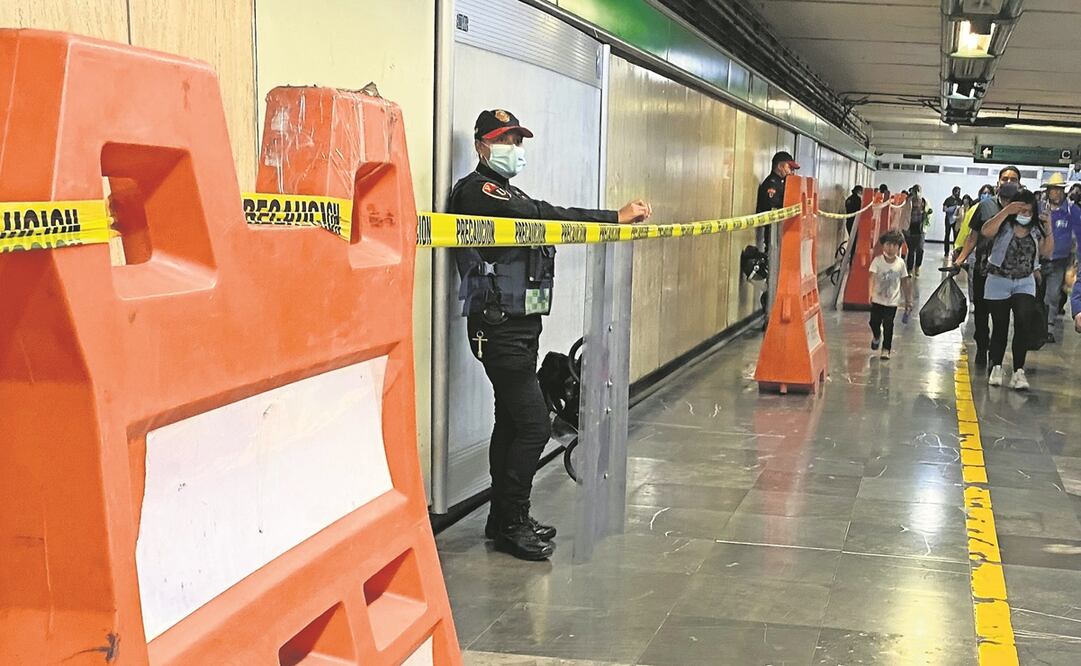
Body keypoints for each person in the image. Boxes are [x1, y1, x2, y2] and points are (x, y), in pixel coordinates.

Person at [448, 108, 651, 561]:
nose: (514, 149)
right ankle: (513, 521)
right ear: (481, 144)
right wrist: (612, 217)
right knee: (535, 423)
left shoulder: (504, 191)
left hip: (520, 326)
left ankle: (501, 518)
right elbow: (541, 214)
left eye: (519, 141)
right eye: (505, 140)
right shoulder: (477, 191)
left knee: (511, 421)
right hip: (498, 329)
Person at [978, 189, 1053, 389]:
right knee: (1000, 326)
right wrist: (1005, 212)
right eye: (1021, 210)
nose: (1025, 215)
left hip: (1025, 281)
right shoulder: (1003, 224)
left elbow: (1046, 252)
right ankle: (996, 366)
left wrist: (1049, 227)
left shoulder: (1037, 229)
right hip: (998, 280)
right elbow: (985, 231)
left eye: (1029, 211)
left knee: (1022, 322)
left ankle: (1019, 371)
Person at [954, 169, 1023, 366]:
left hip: (1010, 274)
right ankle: (982, 345)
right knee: (982, 314)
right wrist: (960, 259)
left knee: (1001, 318)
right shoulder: (984, 206)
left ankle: (996, 355)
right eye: (1005, 179)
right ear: (998, 182)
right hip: (984, 270)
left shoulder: (1024, 207)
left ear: (1019, 183)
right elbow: (973, 237)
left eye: (1013, 179)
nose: (1009, 182)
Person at [755, 150, 800, 319]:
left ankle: (772, 309)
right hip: (774, 237)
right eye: (790, 168)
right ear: (781, 166)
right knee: (774, 275)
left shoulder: (781, 183)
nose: (792, 172)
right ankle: (769, 312)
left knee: (780, 275)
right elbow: (775, 209)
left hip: (781, 236)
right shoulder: (772, 184)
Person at [1038, 173, 1081, 343]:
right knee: (1035, 296)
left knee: (1052, 295)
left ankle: (1048, 329)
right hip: (1038, 261)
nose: (1055, 193)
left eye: (1058, 189)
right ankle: (1034, 327)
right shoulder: (1040, 209)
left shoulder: (1072, 211)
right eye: (1052, 189)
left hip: (1059, 261)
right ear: (1048, 191)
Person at [868, 231, 912, 360]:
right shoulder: (877, 261)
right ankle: (876, 336)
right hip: (877, 299)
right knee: (873, 322)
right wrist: (869, 292)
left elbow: (905, 281)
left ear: (899, 247)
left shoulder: (900, 264)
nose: (891, 248)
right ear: (883, 245)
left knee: (889, 324)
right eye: (888, 244)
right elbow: (871, 277)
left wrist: (908, 300)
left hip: (892, 302)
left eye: (894, 245)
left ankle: (886, 349)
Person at [905, 185, 929, 276]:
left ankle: (917, 266)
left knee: (920, 249)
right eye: (916, 191)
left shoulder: (924, 201)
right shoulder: (908, 201)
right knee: (911, 250)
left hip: (920, 228)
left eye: (918, 190)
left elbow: (928, 212)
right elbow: (905, 214)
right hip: (910, 227)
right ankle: (909, 269)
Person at [943, 186, 964, 255]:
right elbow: (944, 209)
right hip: (948, 220)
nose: (958, 193)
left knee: (956, 235)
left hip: (956, 220)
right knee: (947, 235)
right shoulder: (948, 200)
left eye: (959, 192)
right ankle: (946, 252)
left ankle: (955, 251)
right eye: (957, 192)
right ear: (954, 192)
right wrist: (952, 208)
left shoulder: (960, 200)